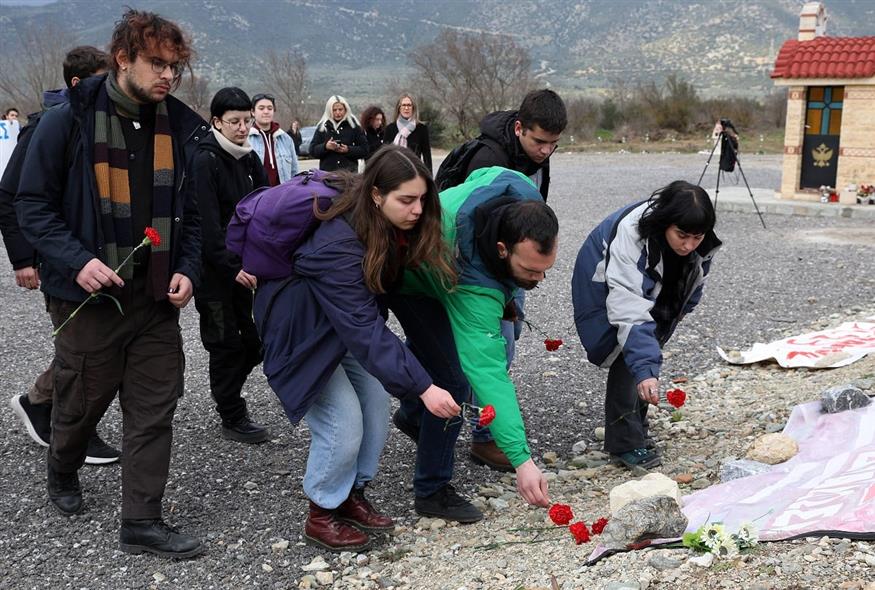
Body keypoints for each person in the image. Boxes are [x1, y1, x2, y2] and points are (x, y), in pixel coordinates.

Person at [14, 8, 206, 558]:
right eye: (157, 63)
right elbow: (32, 205)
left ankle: (141, 520)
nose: (168, 75)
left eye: (175, 66)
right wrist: (76, 261)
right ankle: (62, 465)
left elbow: (191, 218)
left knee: (154, 406)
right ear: (123, 58)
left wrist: (188, 270)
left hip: (154, 300)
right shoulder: (67, 120)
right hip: (88, 297)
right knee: (80, 399)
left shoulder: (181, 127)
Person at [253, 145, 460, 551]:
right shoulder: (338, 245)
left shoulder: (382, 224)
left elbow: (368, 315)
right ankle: (321, 511)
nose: (418, 210)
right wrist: (424, 387)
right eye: (407, 200)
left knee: (375, 407)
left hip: (337, 326)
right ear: (377, 195)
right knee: (342, 422)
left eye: (422, 199)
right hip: (302, 333)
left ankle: (351, 494)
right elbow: (365, 329)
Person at [389, 166, 558, 519]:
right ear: (501, 249)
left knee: (435, 358)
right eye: (529, 271)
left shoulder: (522, 191)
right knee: (453, 379)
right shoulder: (473, 285)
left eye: (545, 270)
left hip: (450, 263)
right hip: (411, 278)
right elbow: (489, 372)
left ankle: (412, 415)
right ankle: (432, 491)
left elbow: (486, 172)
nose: (538, 280)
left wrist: (510, 288)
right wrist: (522, 459)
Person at [2, 45, 120, 465]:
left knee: (88, 349)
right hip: (62, 261)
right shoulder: (45, 128)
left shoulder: (105, 125)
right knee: (81, 355)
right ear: (78, 83)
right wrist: (22, 260)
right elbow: (12, 195)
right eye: (105, 80)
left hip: (95, 258)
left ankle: (40, 402)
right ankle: (73, 433)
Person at [440, 89, 567, 470]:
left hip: (507, 262)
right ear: (518, 128)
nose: (545, 151)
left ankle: (472, 425)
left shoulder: (535, 163)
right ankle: (481, 435)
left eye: (553, 145)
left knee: (502, 346)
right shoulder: (489, 157)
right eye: (539, 142)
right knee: (488, 351)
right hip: (470, 267)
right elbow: (465, 221)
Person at [572, 181, 721, 470]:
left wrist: (680, 310)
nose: (689, 245)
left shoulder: (699, 241)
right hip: (604, 282)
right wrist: (644, 365)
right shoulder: (632, 235)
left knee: (647, 350)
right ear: (665, 224)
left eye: (697, 237)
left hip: (654, 288)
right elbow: (629, 311)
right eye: (682, 236)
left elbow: (696, 276)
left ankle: (637, 426)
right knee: (627, 354)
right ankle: (624, 443)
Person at [192, 87, 270, 443]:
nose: (242, 128)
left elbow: (265, 208)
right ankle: (231, 414)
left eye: (246, 120)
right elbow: (206, 225)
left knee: (253, 344)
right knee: (224, 344)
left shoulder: (250, 159)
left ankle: (226, 398)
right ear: (216, 123)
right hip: (214, 272)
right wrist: (229, 266)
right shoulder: (204, 160)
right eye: (234, 122)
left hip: (246, 268)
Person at [248, 93, 298, 185]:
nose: (266, 111)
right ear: (253, 112)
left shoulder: (286, 139)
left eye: (270, 108)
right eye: (261, 108)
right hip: (257, 196)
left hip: (282, 195)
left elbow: (294, 172)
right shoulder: (246, 139)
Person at [309, 95, 368, 172]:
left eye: (340, 109)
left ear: (345, 110)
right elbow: (312, 150)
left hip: (349, 176)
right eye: (334, 110)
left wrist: (348, 150)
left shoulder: (354, 126)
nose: (337, 113)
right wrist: (325, 147)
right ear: (329, 111)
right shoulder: (323, 127)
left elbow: (365, 150)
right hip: (327, 175)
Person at [384, 93, 431, 173]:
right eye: (404, 105)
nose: (406, 108)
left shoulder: (421, 128)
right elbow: (385, 155)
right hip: (393, 172)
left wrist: (429, 176)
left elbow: (427, 155)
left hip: (415, 172)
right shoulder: (390, 129)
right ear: (399, 108)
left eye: (409, 105)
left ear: (413, 108)